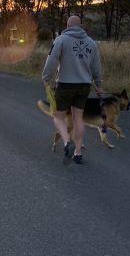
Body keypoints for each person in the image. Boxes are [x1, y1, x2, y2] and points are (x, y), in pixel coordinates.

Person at [41, 15, 103, 165]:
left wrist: (46, 77)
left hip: (65, 84)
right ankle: (78, 153)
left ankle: (67, 142)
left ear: (67, 26)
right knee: (78, 118)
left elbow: (52, 60)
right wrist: (99, 85)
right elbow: (96, 67)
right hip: (84, 86)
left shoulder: (61, 40)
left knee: (58, 116)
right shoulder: (91, 43)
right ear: (80, 26)